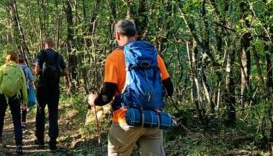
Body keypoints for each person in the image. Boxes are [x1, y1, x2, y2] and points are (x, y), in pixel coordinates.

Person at [88, 19, 174, 156]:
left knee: (116, 152)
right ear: (136, 34)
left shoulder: (113, 58)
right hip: (153, 119)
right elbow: (169, 89)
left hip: (126, 120)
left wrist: (94, 101)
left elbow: (106, 96)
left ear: (117, 36)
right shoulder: (154, 56)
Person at [34, 38, 67, 151]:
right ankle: (52, 143)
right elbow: (66, 72)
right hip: (54, 89)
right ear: (52, 45)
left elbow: (37, 70)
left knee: (40, 112)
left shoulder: (41, 54)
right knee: (53, 114)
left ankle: (40, 141)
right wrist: (57, 73)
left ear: (45, 45)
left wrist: (40, 72)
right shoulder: (59, 56)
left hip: (42, 88)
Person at [0, 51, 28, 155]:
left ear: (7, 59)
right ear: (16, 59)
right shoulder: (19, 69)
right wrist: (24, 101)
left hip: (2, 95)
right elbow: (23, 86)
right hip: (15, 96)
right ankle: (19, 145)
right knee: (17, 120)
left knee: (0, 116)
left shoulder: (3, 68)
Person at [18, 56, 35, 129]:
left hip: (17, 88)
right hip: (26, 88)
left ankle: (17, 121)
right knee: (24, 104)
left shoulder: (16, 68)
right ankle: (23, 121)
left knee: (18, 104)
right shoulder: (27, 68)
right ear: (24, 61)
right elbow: (31, 78)